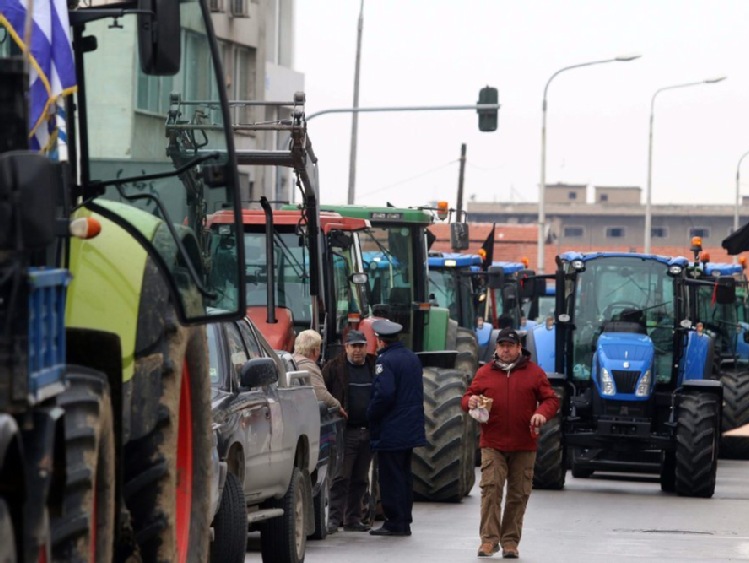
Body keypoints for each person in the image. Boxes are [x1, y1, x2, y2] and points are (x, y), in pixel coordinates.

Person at [462, 327, 559, 559]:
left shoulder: (534, 373)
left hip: (524, 445)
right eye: (502, 346)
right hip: (492, 443)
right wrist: (471, 401)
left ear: (519, 348)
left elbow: (551, 400)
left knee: (518, 494)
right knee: (491, 490)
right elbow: (467, 397)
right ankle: (488, 541)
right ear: (496, 348)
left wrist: (542, 414)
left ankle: (510, 543)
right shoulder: (484, 372)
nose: (506, 350)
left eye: (510, 346)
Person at [367, 319, 425, 537]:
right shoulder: (412, 358)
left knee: (390, 477)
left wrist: (371, 413)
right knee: (403, 475)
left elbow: (384, 394)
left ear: (380, 340)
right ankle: (404, 519)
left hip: (391, 428)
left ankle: (395, 522)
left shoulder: (385, 360)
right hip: (409, 427)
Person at [322, 330, 377, 534]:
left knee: (360, 479)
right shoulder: (334, 368)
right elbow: (322, 392)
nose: (357, 350)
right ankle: (333, 520)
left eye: (361, 346)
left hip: (368, 431)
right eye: (353, 346)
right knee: (341, 477)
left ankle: (353, 519)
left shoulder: (373, 366)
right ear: (346, 348)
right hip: (346, 432)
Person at [293, 330, 347, 417]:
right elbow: (321, 395)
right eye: (319, 348)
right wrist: (338, 406)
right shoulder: (308, 367)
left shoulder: (290, 361)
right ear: (315, 350)